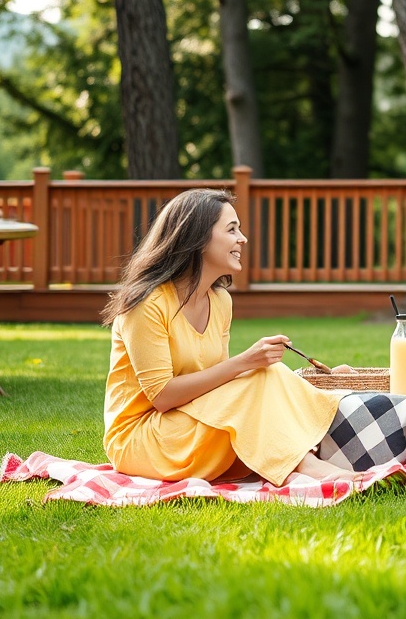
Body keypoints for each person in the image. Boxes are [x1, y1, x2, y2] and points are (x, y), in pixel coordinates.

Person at [101, 188, 351, 485]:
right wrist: (245, 362)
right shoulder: (146, 303)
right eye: (232, 230)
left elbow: (217, 388)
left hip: (190, 423)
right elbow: (163, 397)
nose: (242, 239)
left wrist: (265, 369)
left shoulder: (219, 301)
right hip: (142, 439)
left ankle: (308, 451)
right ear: (197, 238)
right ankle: (305, 463)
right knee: (257, 377)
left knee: (268, 374)